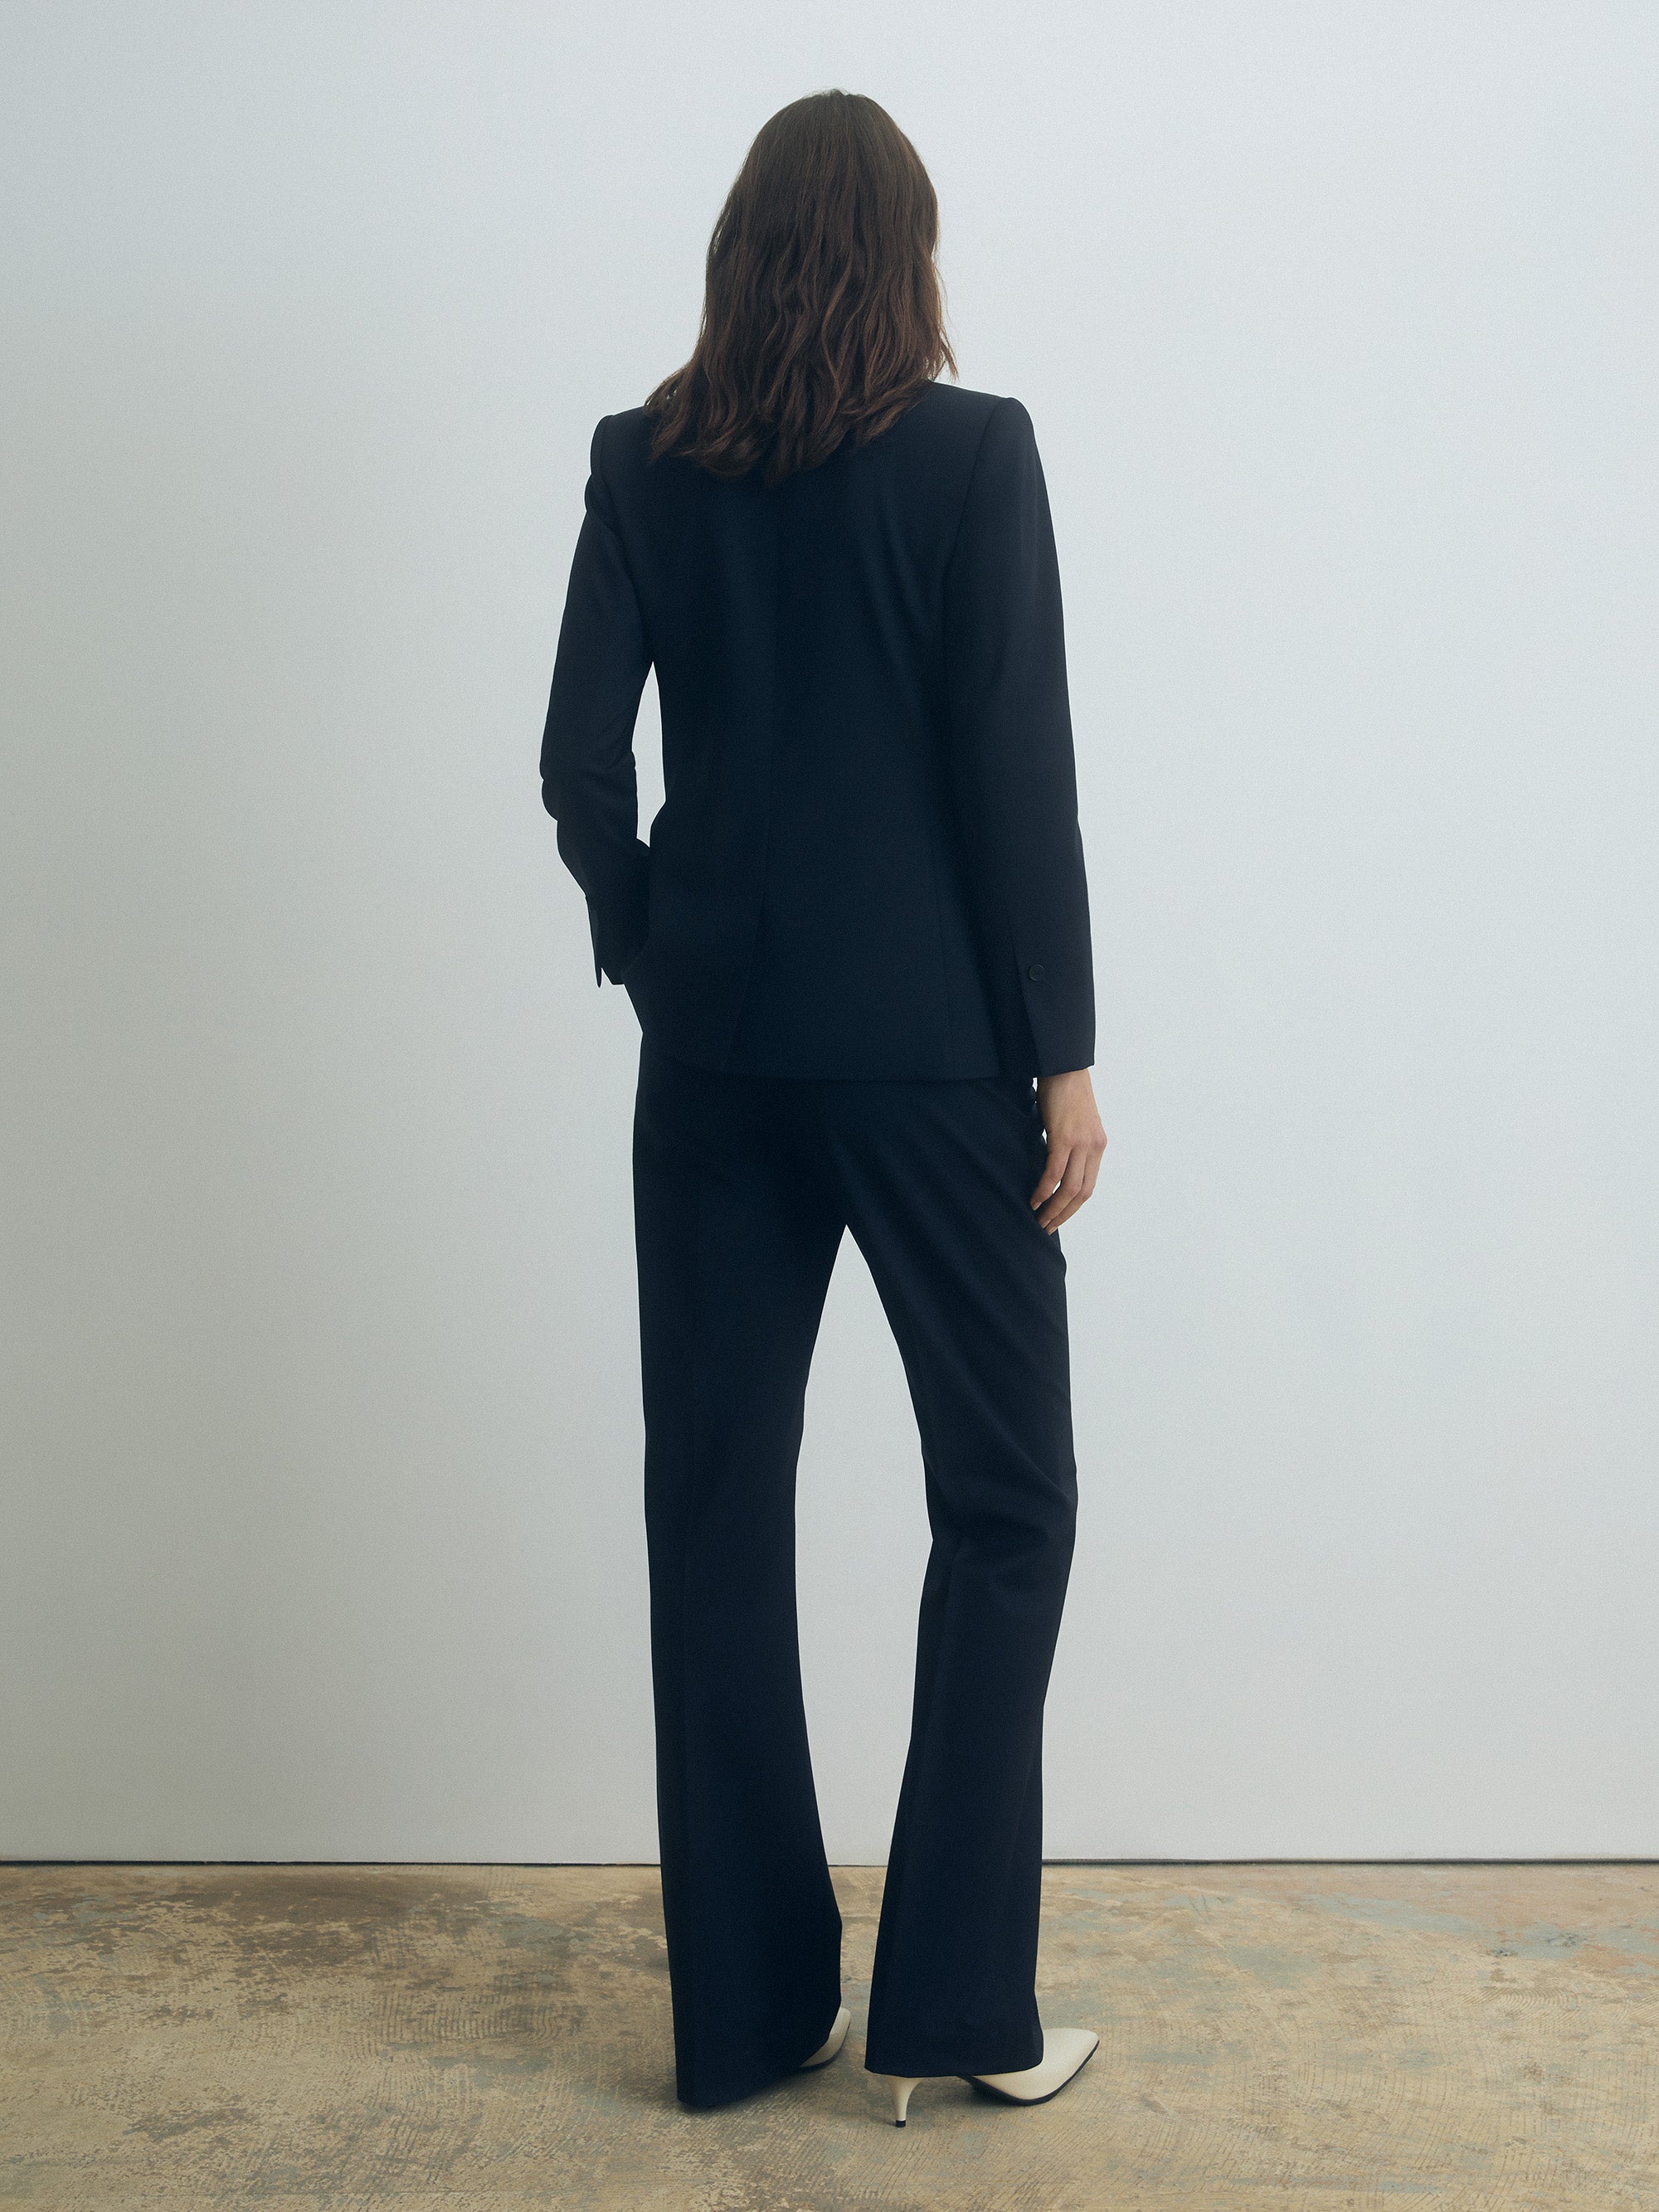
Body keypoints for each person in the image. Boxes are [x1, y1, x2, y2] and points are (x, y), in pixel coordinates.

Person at [540, 89, 1107, 2127]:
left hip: (713, 1067)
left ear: (742, 250)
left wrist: (654, 938)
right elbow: (1010, 777)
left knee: (709, 1514)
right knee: (1010, 1497)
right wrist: (1061, 1050)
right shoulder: (971, 456)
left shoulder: (643, 462)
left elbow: (575, 767)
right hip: (936, 1065)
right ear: (907, 254)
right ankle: (955, 2002)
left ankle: (751, 2015)